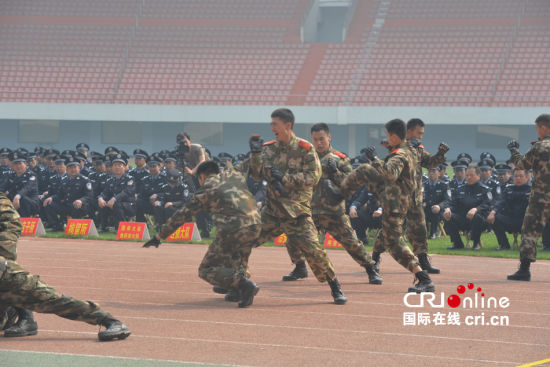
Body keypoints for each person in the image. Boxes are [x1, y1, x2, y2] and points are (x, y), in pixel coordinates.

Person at [247, 108, 347, 304]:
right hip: (273, 212)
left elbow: (313, 176)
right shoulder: (269, 148)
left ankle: (335, 286)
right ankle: (237, 283)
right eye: (271, 124)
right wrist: (256, 153)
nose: (272, 127)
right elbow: (257, 175)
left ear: (288, 125)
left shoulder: (305, 148)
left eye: (275, 124)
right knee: (243, 241)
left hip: (296, 213)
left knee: (314, 251)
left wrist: (285, 178)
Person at [0, 191, 130, 340]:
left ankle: (110, 321)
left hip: (5, 271)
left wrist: (6, 256)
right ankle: (9, 310)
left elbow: (11, 222)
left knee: (48, 299)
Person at [326, 118, 435, 293]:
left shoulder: (401, 154)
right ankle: (340, 189)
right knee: (365, 171)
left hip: (395, 201)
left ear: (393, 136)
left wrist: (375, 158)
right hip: (393, 194)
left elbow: (389, 173)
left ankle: (424, 279)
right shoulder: (410, 149)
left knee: (394, 243)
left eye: (387, 135)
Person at [143, 161, 261, 308]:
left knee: (206, 269)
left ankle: (243, 285)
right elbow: (248, 165)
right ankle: (237, 290)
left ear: (202, 177)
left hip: (232, 228)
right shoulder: (233, 178)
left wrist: (159, 236)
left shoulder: (207, 188)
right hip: (255, 224)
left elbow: (182, 214)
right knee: (237, 260)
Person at [281, 123, 382, 284]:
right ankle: (300, 267)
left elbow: (351, 184)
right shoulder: (307, 158)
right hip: (310, 211)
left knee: (351, 243)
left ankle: (371, 269)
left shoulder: (339, 159)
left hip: (333, 212)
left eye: (322, 139)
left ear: (329, 137)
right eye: (315, 140)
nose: (319, 143)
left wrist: (335, 173)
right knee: (292, 239)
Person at [377, 118, 448, 274]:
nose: (421, 136)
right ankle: (374, 258)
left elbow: (430, 162)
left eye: (422, 134)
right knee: (389, 231)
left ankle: (423, 261)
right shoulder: (398, 146)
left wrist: (441, 152)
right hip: (399, 199)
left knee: (420, 230)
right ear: (409, 132)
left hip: (415, 198)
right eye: (419, 133)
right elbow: (392, 157)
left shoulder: (418, 148)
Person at [507, 114, 550, 281]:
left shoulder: (540, 147)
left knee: (530, 231)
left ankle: (524, 269)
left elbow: (522, 165)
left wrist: (513, 151)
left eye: (538, 128)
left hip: (541, 197)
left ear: (543, 128)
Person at [441, 166, 492, 250]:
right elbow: (452, 203)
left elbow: (487, 204)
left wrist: (476, 209)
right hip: (463, 218)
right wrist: (448, 209)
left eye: (471, 175)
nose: (468, 177)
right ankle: (457, 243)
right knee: (448, 216)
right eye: (467, 175)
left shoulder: (484, 189)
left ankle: (476, 243)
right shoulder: (460, 189)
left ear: (478, 176)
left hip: (479, 220)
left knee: (477, 217)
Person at [43, 156, 94, 231]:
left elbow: (89, 195)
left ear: (79, 168)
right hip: (67, 205)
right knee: (49, 204)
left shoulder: (85, 180)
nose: (73, 170)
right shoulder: (64, 180)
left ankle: (75, 226)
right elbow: (59, 194)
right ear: (67, 169)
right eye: (70, 168)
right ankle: (57, 226)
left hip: (80, 206)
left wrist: (81, 200)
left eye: (75, 167)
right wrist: (51, 198)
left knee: (76, 206)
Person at [487, 169, 530, 250]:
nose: (518, 178)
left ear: (527, 177)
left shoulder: (531, 190)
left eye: (521, 176)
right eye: (516, 176)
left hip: (526, 221)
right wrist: (492, 212)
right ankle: (504, 245)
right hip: (510, 219)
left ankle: (530, 245)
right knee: (495, 218)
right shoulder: (508, 189)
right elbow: (500, 202)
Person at [97, 153, 135, 231]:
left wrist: (114, 199)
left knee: (117, 204)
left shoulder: (130, 179)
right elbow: (105, 192)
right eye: (115, 165)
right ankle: (104, 227)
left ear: (124, 167)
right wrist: (100, 198)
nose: (117, 167)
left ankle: (120, 229)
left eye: (120, 165)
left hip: (129, 205)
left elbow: (126, 192)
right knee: (103, 204)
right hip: (114, 204)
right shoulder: (110, 180)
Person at [3, 151, 40, 217]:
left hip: (31, 204)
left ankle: (27, 217)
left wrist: (18, 196)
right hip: (16, 202)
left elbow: (27, 188)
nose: (18, 166)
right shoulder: (12, 176)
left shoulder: (31, 175)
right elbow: (3, 187)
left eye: (20, 163)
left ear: (25, 163)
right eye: (15, 164)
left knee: (22, 198)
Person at [423, 167, 449, 239]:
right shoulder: (423, 185)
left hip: (439, 211)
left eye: (434, 171)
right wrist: (422, 202)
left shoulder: (444, 185)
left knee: (435, 211)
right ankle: (422, 233)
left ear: (439, 173)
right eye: (429, 171)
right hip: (426, 209)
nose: (431, 173)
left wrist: (439, 206)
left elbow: (447, 200)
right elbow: (419, 197)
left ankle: (433, 233)